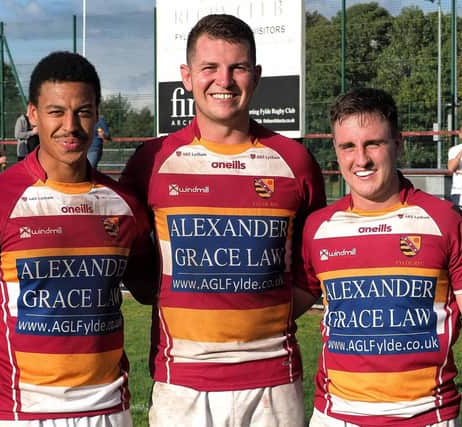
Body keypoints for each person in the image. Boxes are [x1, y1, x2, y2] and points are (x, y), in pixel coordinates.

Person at [120, 14, 326, 427]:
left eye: (238, 67)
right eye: (210, 68)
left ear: (257, 75)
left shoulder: (295, 161)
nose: (224, 81)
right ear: (187, 76)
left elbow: (315, 264)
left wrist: (265, 312)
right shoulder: (152, 161)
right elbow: (133, 264)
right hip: (183, 385)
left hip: (274, 382)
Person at [0, 51, 156, 427]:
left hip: (109, 413)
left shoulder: (124, 203)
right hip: (21, 415)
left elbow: (153, 288)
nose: (70, 126)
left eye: (83, 111)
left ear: (97, 113)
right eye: (56, 112)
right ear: (33, 115)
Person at [300, 88, 462, 427]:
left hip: (427, 417)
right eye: (348, 146)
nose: (360, 159)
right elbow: (281, 308)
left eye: (373, 144)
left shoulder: (445, 220)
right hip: (335, 417)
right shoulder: (317, 227)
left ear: (398, 143)